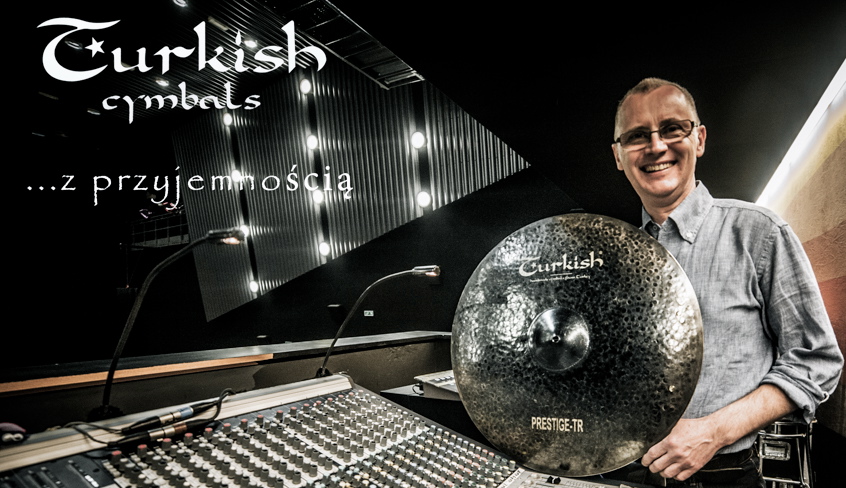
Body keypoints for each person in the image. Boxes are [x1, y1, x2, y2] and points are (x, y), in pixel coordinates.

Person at [609, 78, 843, 487]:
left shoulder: (759, 233)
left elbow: (816, 360)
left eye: (672, 129)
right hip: (634, 472)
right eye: (637, 136)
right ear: (618, 155)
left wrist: (714, 431)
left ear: (698, 139)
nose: (656, 146)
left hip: (732, 473)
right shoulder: (616, 255)